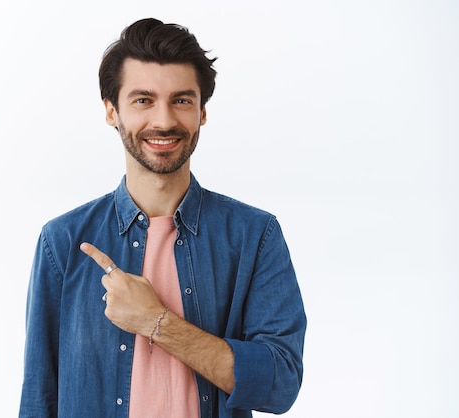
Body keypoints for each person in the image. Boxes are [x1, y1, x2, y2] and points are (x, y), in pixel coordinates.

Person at [18, 18, 306, 418]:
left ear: (202, 111)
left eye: (182, 100)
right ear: (110, 111)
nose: (164, 121)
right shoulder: (63, 242)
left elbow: (280, 385)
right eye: (143, 100)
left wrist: (156, 321)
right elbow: (39, 399)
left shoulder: (254, 236)